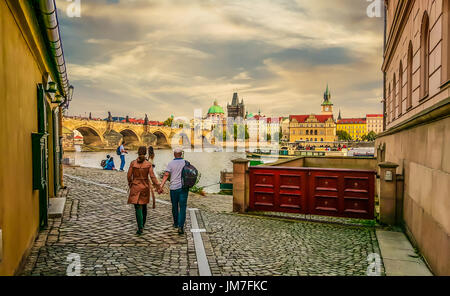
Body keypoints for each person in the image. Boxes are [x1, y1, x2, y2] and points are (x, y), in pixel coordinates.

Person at [127, 146, 162, 235]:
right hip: (145, 186)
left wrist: (131, 184)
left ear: (138, 153)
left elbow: (129, 176)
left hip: (135, 186)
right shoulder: (148, 164)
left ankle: (140, 227)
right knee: (144, 205)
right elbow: (152, 177)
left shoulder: (132, 163)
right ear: (145, 153)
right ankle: (143, 224)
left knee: (137, 207)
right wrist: (158, 186)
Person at [160, 148, 189, 235]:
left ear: (174, 154)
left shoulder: (170, 163)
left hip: (173, 188)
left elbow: (166, 175)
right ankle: (180, 226)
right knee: (183, 207)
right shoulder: (185, 163)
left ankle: (176, 223)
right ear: (181, 154)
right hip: (183, 188)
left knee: (175, 206)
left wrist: (161, 186)